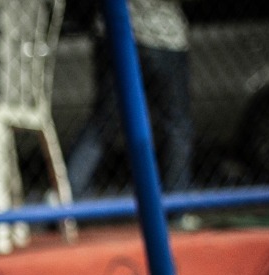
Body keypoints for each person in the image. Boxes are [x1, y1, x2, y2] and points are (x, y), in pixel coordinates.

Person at [66, 0, 194, 200]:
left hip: (116, 32)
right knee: (176, 126)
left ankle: (66, 199)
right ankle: (176, 206)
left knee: (102, 125)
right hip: (160, 36)